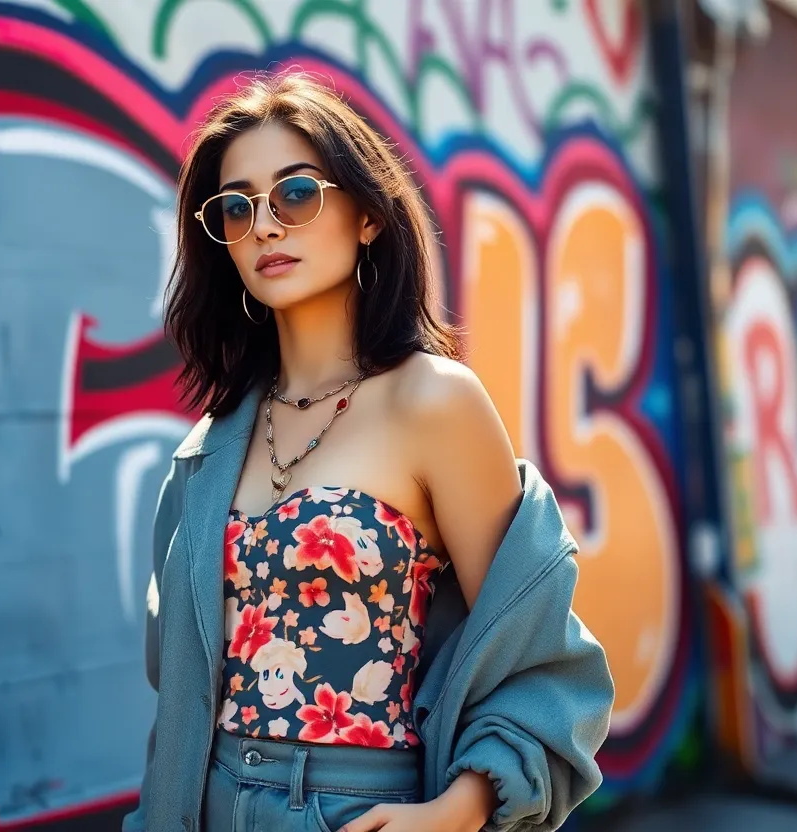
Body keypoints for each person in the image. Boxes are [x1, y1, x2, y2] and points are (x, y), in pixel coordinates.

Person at [123, 72, 614, 832]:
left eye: (294, 194)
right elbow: (179, 689)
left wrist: (460, 808)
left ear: (366, 217)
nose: (264, 226)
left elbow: (539, 651)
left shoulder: (435, 403)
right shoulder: (212, 444)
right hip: (205, 806)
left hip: (356, 810)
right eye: (237, 207)